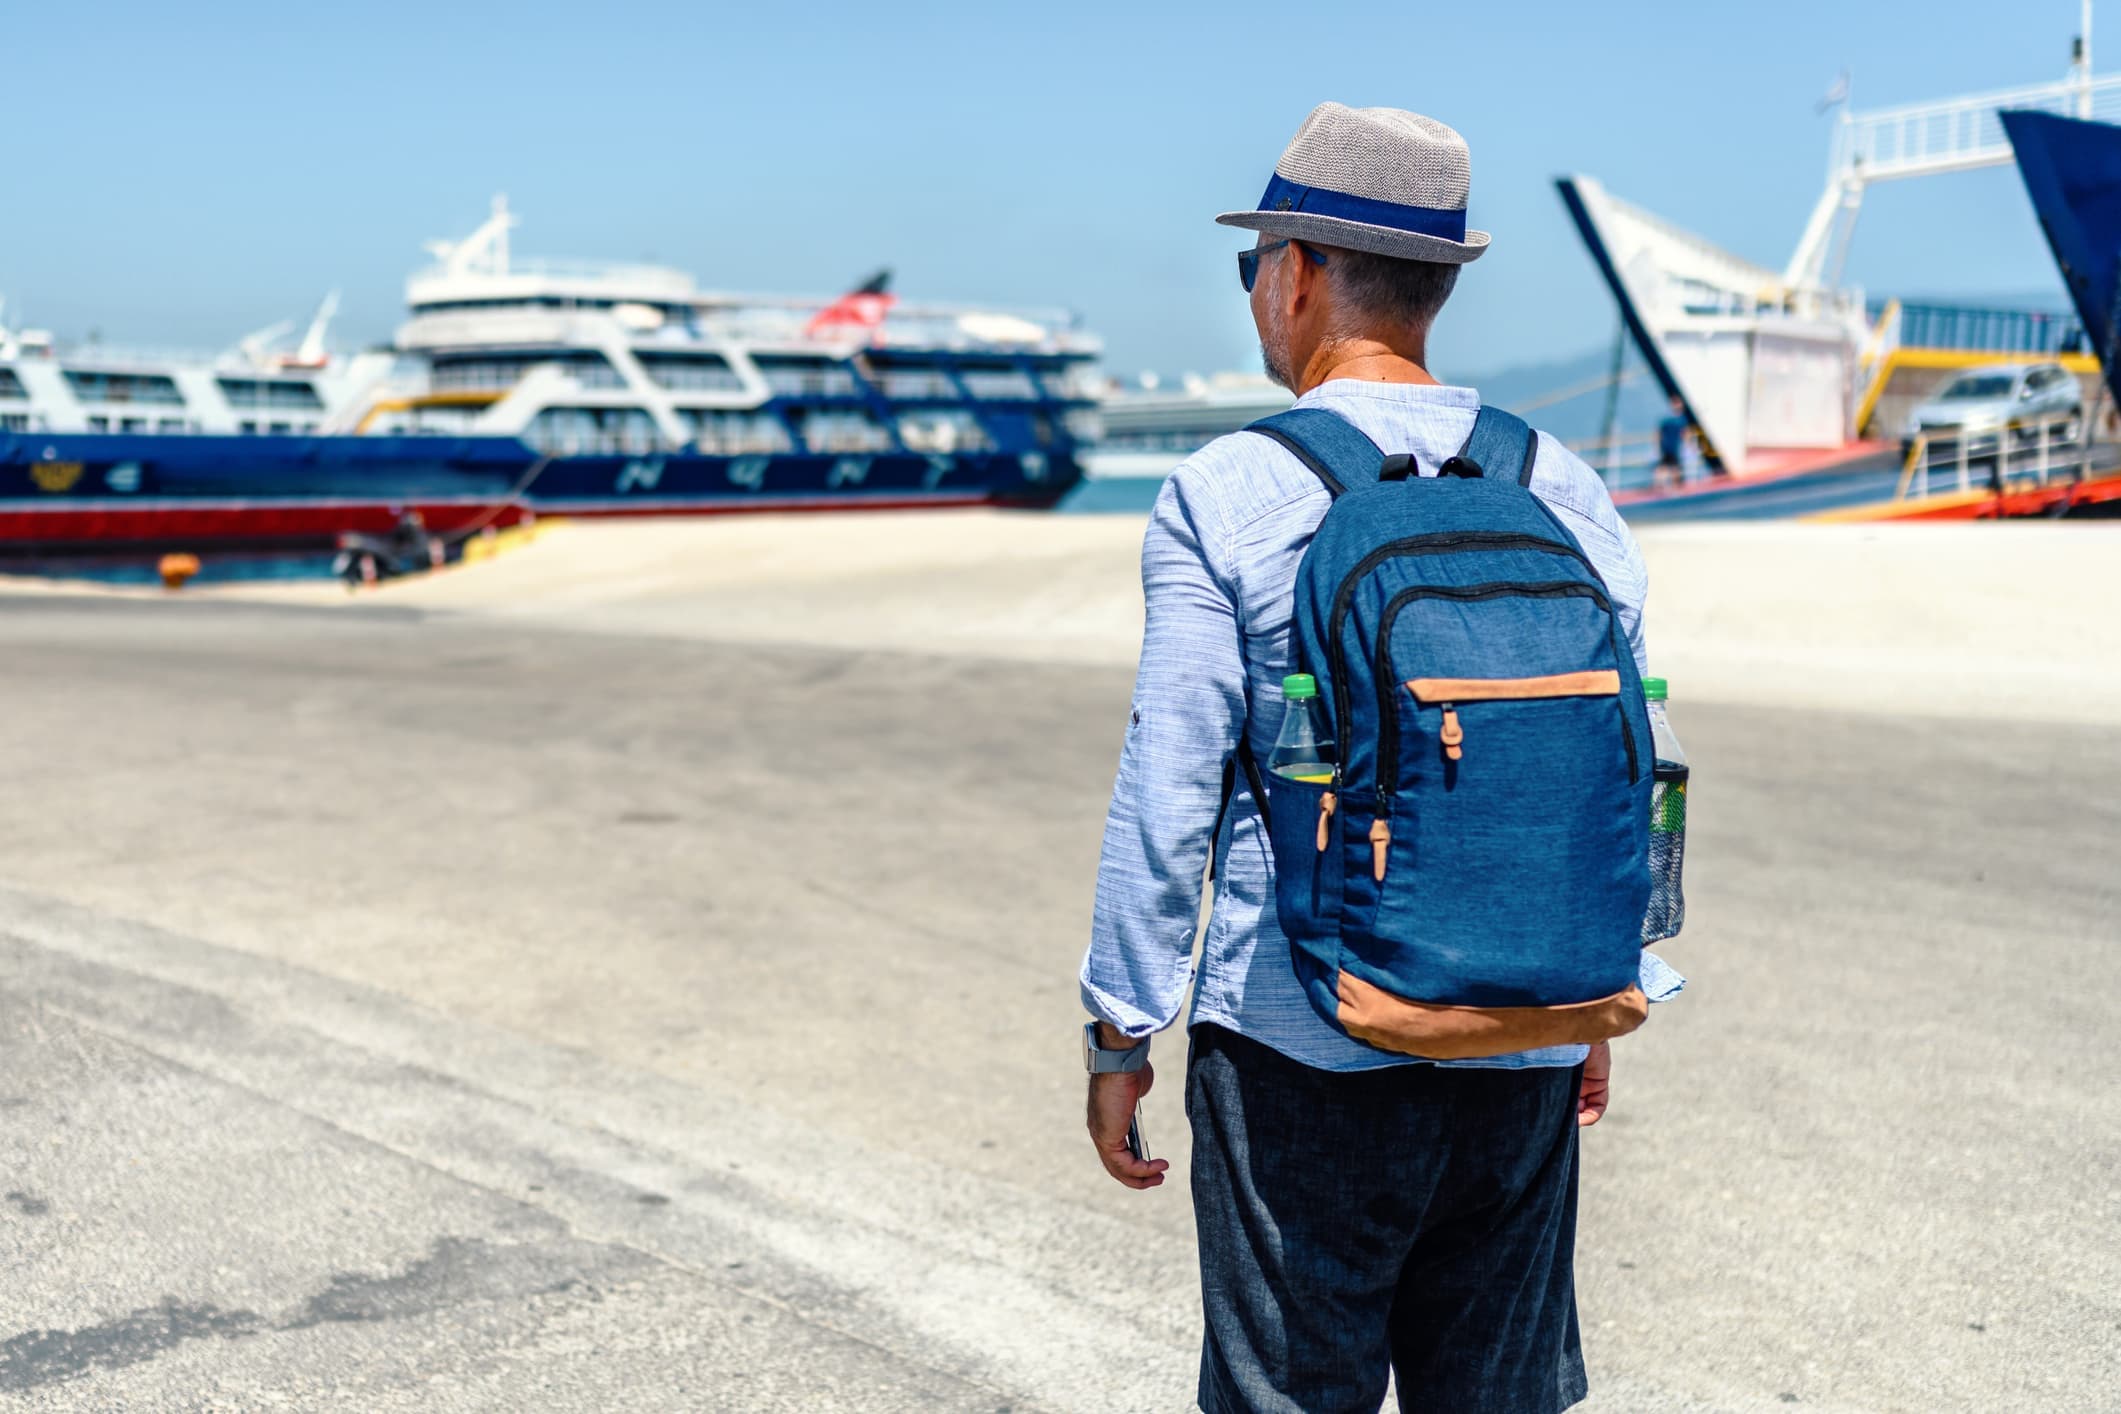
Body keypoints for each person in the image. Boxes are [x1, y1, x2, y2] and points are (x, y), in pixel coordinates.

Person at [1078, 102, 1683, 1413]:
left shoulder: (1228, 493)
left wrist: (1120, 1025)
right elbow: (1634, 763)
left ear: (1296, 271)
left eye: (1257, 267)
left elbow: (1168, 787)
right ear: (1437, 282)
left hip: (1304, 1043)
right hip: (1520, 1033)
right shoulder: (1561, 484)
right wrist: (1604, 983)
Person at [1654, 395, 1688, 491]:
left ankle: (1672, 488)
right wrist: (1657, 446)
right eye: (1676, 403)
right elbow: (1658, 433)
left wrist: (1687, 445)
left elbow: (1684, 433)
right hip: (1667, 447)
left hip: (1675, 447)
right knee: (1667, 468)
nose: (1678, 405)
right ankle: (1662, 488)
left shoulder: (1682, 419)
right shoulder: (1667, 419)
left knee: (1671, 468)